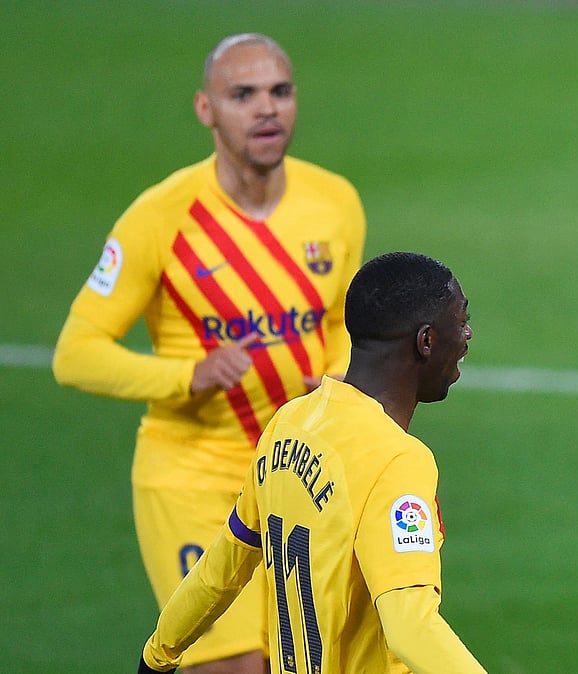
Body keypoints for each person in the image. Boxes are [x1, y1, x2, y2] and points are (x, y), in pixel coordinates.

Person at [52, 33, 366, 673]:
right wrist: (187, 374)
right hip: (191, 475)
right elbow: (75, 354)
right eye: (243, 94)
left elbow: (340, 324)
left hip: (293, 475)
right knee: (232, 667)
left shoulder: (336, 203)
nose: (267, 109)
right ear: (205, 109)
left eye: (280, 91)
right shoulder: (159, 218)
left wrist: (333, 379)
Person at [137, 251, 485, 674]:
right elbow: (409, 624)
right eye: (461, 319)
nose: (467, 334)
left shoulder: (289, 423)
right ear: (425, 340)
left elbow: (221, 567)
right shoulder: (397, 460)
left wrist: (158, 654)